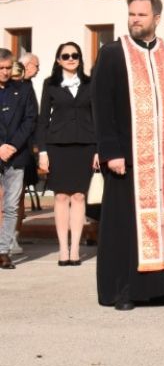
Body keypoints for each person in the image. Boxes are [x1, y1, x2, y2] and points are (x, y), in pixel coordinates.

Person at [92, 0, 164, 309]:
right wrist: (110, 151)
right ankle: (126, 290)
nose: (135, 20)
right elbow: (101, 106)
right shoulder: (113, 54)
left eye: (141, 14)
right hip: (128, 159)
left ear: (156, 18)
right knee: (126, 225)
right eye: (132, 14)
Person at [36, 42, 99, 267]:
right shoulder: (50, 84)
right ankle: (63, 248)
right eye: (66, 56)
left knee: (79, 196)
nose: (71, 59)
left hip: (85, 145)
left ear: (80, 59)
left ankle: (75, 250)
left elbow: (98, 118)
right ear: (58, 60)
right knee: (61, 196)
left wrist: (98, 149)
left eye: (75, 55)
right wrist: (43, 151)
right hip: (58, 146)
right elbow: (43, 119)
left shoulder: (91, 83)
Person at [0, 49, 38, 270]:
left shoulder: (23, 90)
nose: (5, 72)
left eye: (8, 68)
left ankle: (3, 251)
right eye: (1, 68)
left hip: (16, 155)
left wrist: (12, 146)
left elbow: (30, 119)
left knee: (12, 206)